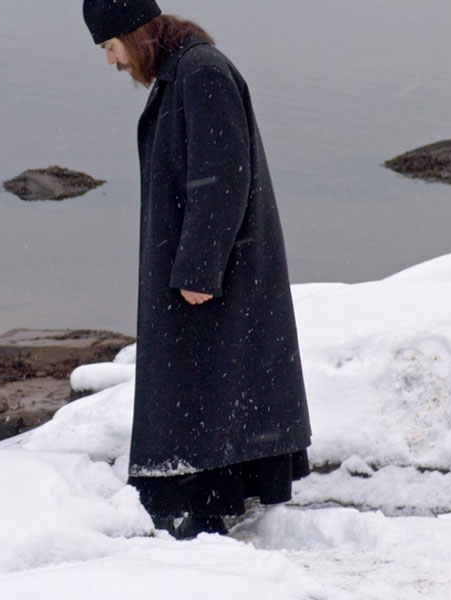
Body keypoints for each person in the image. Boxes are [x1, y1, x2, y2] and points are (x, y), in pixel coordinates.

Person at [82, 0, 313, 540]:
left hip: (216, 269)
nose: (111, 62)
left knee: (207, 382)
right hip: (207, 261)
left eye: (110, 47)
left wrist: (199, 268)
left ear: (133, 34)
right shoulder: (183, 70)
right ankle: (206, 498)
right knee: (210, 382)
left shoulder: (201, 72)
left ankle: (206, 505)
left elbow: (222, 176)